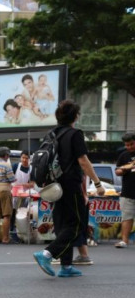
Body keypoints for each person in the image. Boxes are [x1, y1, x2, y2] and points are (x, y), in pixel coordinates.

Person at [33, 100, 105, 278]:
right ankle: (47, 254)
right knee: (76, 224)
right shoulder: (75, 134)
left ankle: (66, 266)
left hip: (54, 186)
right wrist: (97, 183)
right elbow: (83, 161)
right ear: (75, 116)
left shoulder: (52, 133)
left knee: (62, 224)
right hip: (71, 185)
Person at [114, 132, 135, 248]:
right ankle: (124, 241)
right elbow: (117, 171)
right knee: (127, 217)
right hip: (127, 192)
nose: (129, 147)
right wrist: (125, 169)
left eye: (131, 144)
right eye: (127, 145)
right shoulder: (123, 155)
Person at [11, 151, 34, 242]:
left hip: (26, 193)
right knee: (13, 212)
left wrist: (27, 185)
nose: (24, 160)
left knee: (23, 213)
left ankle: (23, 232)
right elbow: (10, 178)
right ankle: (13, 232)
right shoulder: (16, 166)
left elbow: (33, 183)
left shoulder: (32, 169)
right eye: (23, 157)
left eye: (26, 158)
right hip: (15, 192)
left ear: (29, 159)